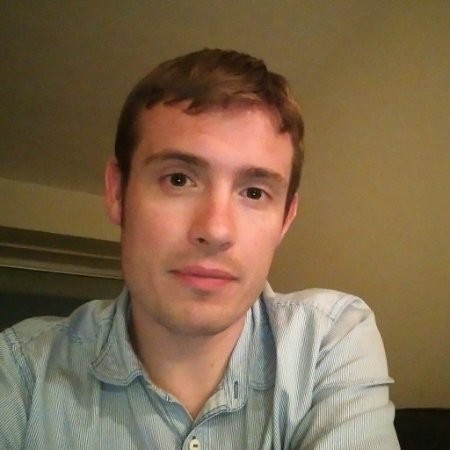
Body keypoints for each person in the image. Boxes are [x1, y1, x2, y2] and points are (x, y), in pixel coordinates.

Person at [0, 49, 399, 449]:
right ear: (117, 192)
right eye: (178, 179)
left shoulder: (328, 342)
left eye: (254, 192)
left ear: (285, 219)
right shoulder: (20, 372)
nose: (215, 230)